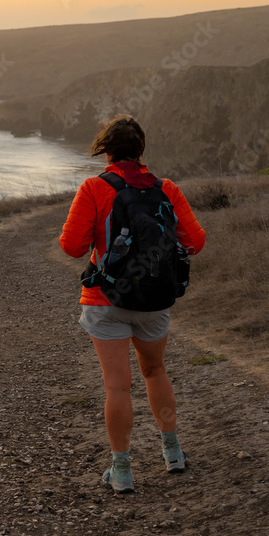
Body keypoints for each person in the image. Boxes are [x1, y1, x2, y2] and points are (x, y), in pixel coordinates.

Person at [59, 115, 206, 493]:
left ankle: (121, 472)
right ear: (141, 150)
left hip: (105, 299)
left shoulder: (94, 187)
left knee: (117, 388)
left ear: (107, 151)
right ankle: (172, 453)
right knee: (155, 372)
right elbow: (195, 241)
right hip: (154, 299)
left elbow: (72, 247)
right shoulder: (166, 188)